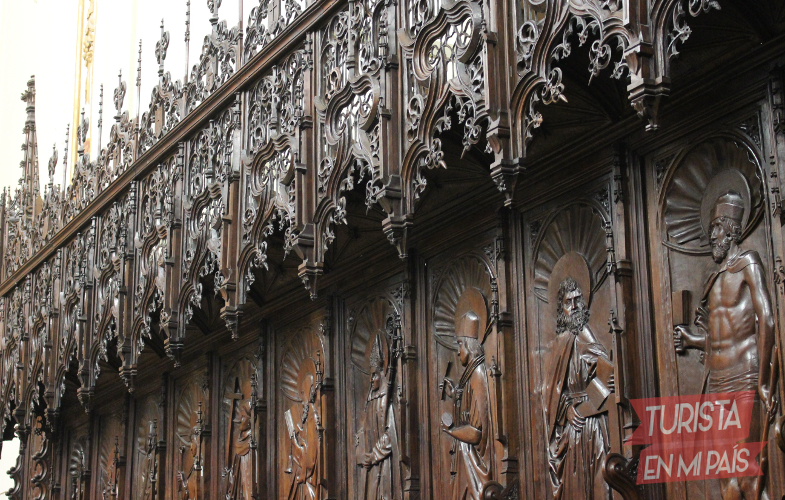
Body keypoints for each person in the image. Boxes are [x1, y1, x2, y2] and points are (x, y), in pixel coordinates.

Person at [674, 191, 776, 500]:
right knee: (725, 475)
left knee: (748, 476)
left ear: (731, 229)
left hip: (744, 375)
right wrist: (693, 339)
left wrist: (763, 383)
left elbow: (766, 320)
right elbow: (720, 336)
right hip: (717, 382)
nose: (712, 236)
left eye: (716, 228)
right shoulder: (714, 278)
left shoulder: (748, 263)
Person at [543, 277, 613, 500]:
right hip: (574, 427)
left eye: (577, 300)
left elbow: (606, 372)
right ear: (561, 308)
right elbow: (552, 395)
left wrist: (607, 381)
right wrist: (567, 409)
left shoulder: (588, 336)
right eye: (568, 302)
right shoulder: (560, 344)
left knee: (600, 480)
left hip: (595, 421)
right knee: (577, 487)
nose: (573, 306)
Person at [441, 288, 492, 500]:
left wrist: (451, 430)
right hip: (466, 461)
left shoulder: (478, 375)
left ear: (470, 346)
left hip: (474, 467)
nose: (458, 350)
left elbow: (476, 432)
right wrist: (456, 395)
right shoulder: (471, 374)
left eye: (460, 344)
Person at [358, 335, 398, 500]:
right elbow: (364, 430)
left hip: (383, 463)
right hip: (370, 465)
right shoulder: (371, 400)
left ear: (382, 375)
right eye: (371, 375)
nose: (371, 379)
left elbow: (391, 432)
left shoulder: (386, 399)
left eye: (374, 375)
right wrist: (361, 453)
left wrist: (374, 455)